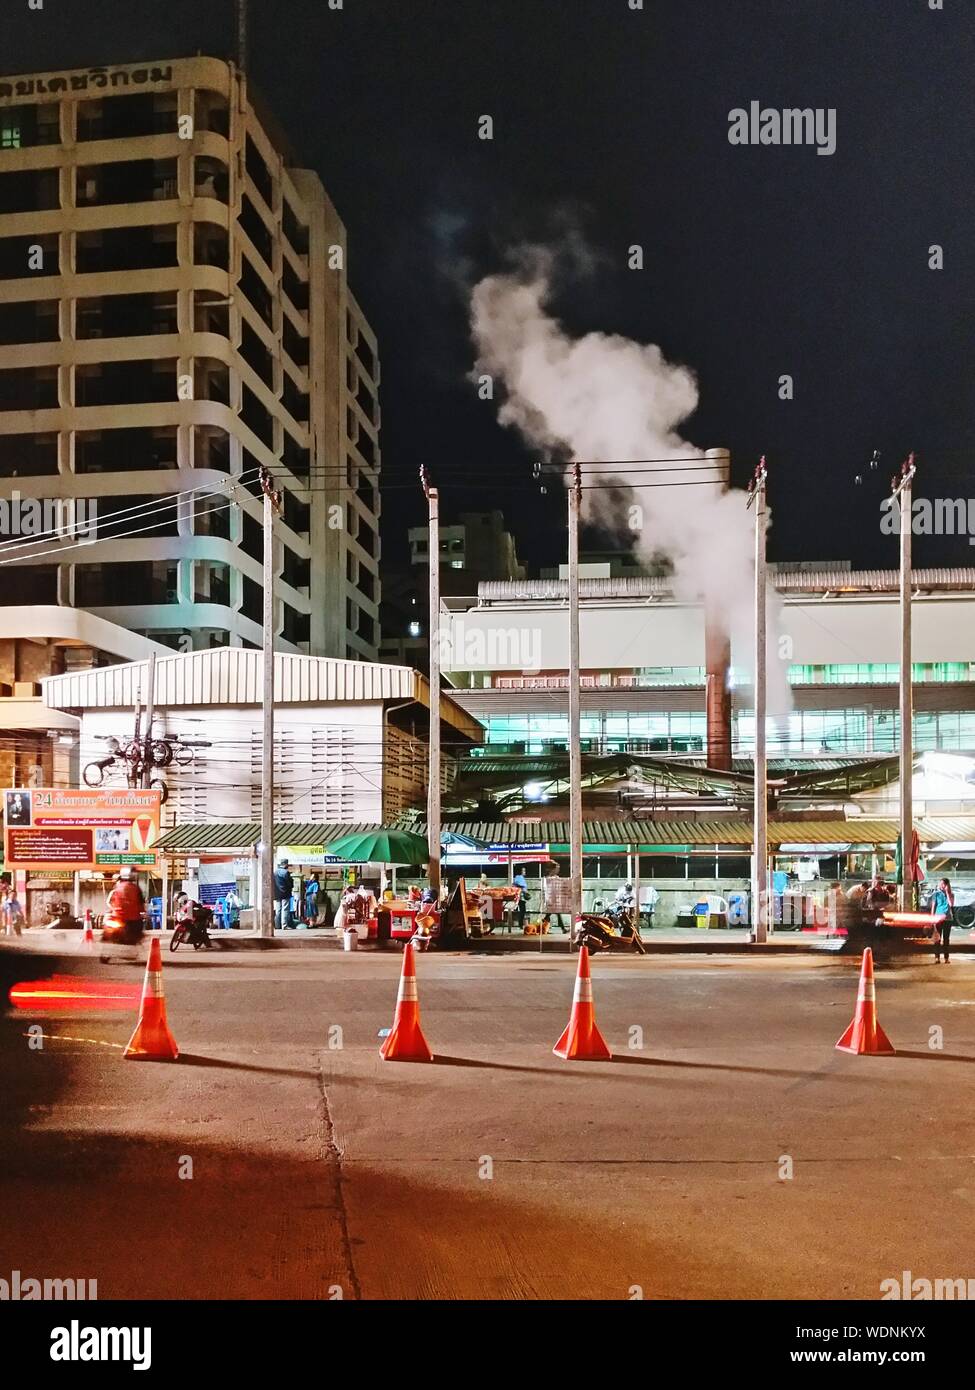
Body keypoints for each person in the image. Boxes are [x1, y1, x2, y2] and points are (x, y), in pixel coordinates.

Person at [102, 866, 146, 944]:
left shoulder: (117, 887)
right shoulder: (135, 888)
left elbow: (112, 902)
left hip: (118, 916)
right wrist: (143, 912)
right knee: (139, 929)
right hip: (133, 919)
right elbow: (141, 904)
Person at [931, 877, 955, 964]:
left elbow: (951, 904)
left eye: (943, 884)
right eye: (940, 884)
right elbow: (933, 906)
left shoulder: (952, 894)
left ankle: (946, 958)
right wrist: (932, 918)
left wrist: (947, 893)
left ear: (947, 885)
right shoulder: (936, 894)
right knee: (937, 939)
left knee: (946, 939)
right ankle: (937, 957)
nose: (941, 885)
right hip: (938, 919)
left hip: (948, 919)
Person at [273, 858, 294, 930]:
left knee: (278, 909)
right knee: (285, 909)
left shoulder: (275, 872)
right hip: (285, 893)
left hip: (277, 893)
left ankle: (277, 925)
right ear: (286, 864)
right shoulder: (286, 872)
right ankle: (284, 925)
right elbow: (289, 884)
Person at [513, 866, 529, 931]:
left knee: (522, 911)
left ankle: (521, 924)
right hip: (520, 896)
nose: (525, 872)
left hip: (522, 896)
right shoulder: (518, 877)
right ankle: (520, 925)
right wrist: (523, 888)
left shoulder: (522, 878)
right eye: (523, 871)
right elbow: (516, 884)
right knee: (522, 911)